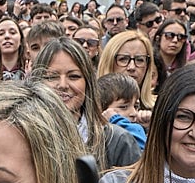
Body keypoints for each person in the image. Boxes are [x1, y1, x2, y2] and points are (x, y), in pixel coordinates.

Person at [29, 37, 140, 171]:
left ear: (88, 83)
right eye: (52, 77)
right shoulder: (22, 137)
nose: (63, 85)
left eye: (74, 76)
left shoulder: (116, 141)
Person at [99, 30, 158, 113]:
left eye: (139, 60)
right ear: (108, 62)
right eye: (123, 59)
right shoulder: (90, 107)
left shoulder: (159, 108)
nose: (132, 67)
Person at [97, 72, 146, 155]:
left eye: (136, 106)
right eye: (123, 107)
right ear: (102, 110)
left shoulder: (136, 130)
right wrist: (115, 118)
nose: (134, 113)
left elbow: (141, 150)